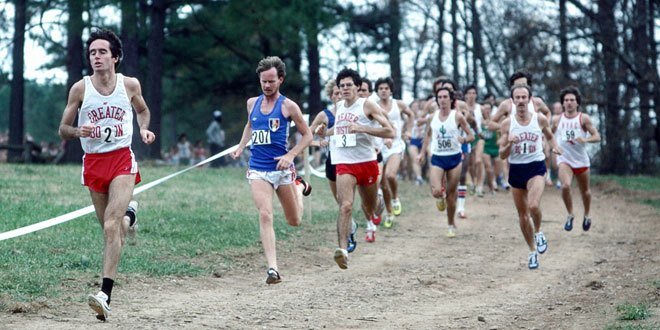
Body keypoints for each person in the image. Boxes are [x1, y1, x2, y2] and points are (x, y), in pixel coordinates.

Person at [58, 29, 155, 321]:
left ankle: (104, 295)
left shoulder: (129, 84)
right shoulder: (80, 89)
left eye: (102, 52)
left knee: (111, 227)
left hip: (122, 160)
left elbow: (143, 110)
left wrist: (144, 128)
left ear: (115, 56)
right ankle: (130, 216)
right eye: (92, 53)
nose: (96, 57)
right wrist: (78, 131)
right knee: (113, 229)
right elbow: (63, 129)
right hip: (94, 163)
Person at [230, 56, 312, 284]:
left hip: (282, 169)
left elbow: (308, 135)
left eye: (271, 81)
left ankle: (298, 187)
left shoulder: (288, 106)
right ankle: (273, 268)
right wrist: (239, 148)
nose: (267, 86)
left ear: (280, 80)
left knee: (294, 220)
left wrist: (290, 155)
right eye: (263, 81)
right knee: (265, 214)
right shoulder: (251, 103)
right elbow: (250, 125)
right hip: (258, 168)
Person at [327, 68, 394, 269]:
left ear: (357, 87)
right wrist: (326, 132)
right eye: (342, 86)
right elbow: (340, 130)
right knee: (345, 205)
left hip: (367, 163)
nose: (345, 89)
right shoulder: (338, 107)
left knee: (369, 208)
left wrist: (363, 128)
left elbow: (389, 130)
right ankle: (343, 250)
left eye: (349, 85)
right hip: (345, 164)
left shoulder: (367, 105)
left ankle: (379, 200)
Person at [498, 84, 560, 270]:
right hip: (516, 169)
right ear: (513, 101)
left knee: (533, 205)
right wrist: (509, 144)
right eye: (517, 98)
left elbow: (549, 135)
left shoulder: (539, 119)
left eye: (524, 97)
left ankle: (539, 232)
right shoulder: (507, 124)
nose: (521, 101)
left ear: (530, 99)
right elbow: (502, 154)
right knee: (523, 216)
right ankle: (532, 251)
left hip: (536, 167)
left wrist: (555, 146)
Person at [309, 79, 359, 252]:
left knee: (347, 202)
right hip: (333, 161)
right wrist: (318, 143)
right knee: (340, 200)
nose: (339, 96)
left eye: (341, 92)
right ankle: (351, 227)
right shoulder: (325, 115)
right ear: (331, 96)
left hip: (353, 160)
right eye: (336, 93)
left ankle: (348, 237)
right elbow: (308, 135)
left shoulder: (356, 111)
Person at [418, 87, 474, 237]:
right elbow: (427, 136)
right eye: (440, 97)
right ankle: (439, 196)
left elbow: (471, 136)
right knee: (436, 191)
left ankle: (450, 224)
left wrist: (464, 139)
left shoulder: (458, 117)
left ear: (451, 100)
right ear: (437, 100)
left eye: (445, 97)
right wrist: (422, 153)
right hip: (437, 157)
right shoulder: (432, 117)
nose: (442, 100)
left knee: (451, 194)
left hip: (454, 158)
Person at [552, 86, 600, 232]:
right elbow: (549, 135)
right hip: (564, 159)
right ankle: (570, 214)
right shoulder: (556, 119)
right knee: (565, 186)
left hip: (581, 160)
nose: (569, 103)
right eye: (566, 100)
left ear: (577, 102)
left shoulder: (583, 118)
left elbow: (597, 137)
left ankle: (586, 214)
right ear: (562, 103)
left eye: (572, 100)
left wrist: (585, 140)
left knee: (585, 191)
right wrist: (552, 146)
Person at [374, 77, 415, 228]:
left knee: (390, 175)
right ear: (377, 92)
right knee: (383, 184)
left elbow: (411, 115)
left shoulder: (399, 104)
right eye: (380, 88)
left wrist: (408, 130)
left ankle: (396, 198)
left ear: (390, 90)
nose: (383, 91)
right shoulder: (373, 107)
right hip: (380, 147)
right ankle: (389, 213)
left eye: (386, 88)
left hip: (396, 145)